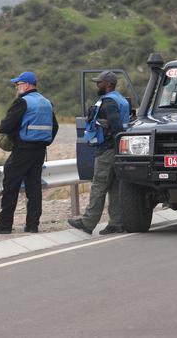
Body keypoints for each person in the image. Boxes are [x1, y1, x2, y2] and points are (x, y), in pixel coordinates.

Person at [0, 71, 58, 234]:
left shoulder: (22, 102)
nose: (16, 88)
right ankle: (32, 225)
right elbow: (55, 127)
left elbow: (5, 127)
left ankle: (5, 225)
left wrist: (13, 136)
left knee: (11, 185)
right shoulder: (47, 103)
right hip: (40, 151)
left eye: (18, 85)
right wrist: (45, 141)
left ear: (26, 85)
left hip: (22, 150)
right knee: (34, 188)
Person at [68, 71, 130, 235]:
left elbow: (115, 125)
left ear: (108, 84)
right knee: (114, 186)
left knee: (99, 185)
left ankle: (88, 223)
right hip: (118, 149)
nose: (97, 85)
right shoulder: (121, 99)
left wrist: (110, 139)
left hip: (108, 149)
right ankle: (117, 223)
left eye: (99, 82)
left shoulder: (109, 101)